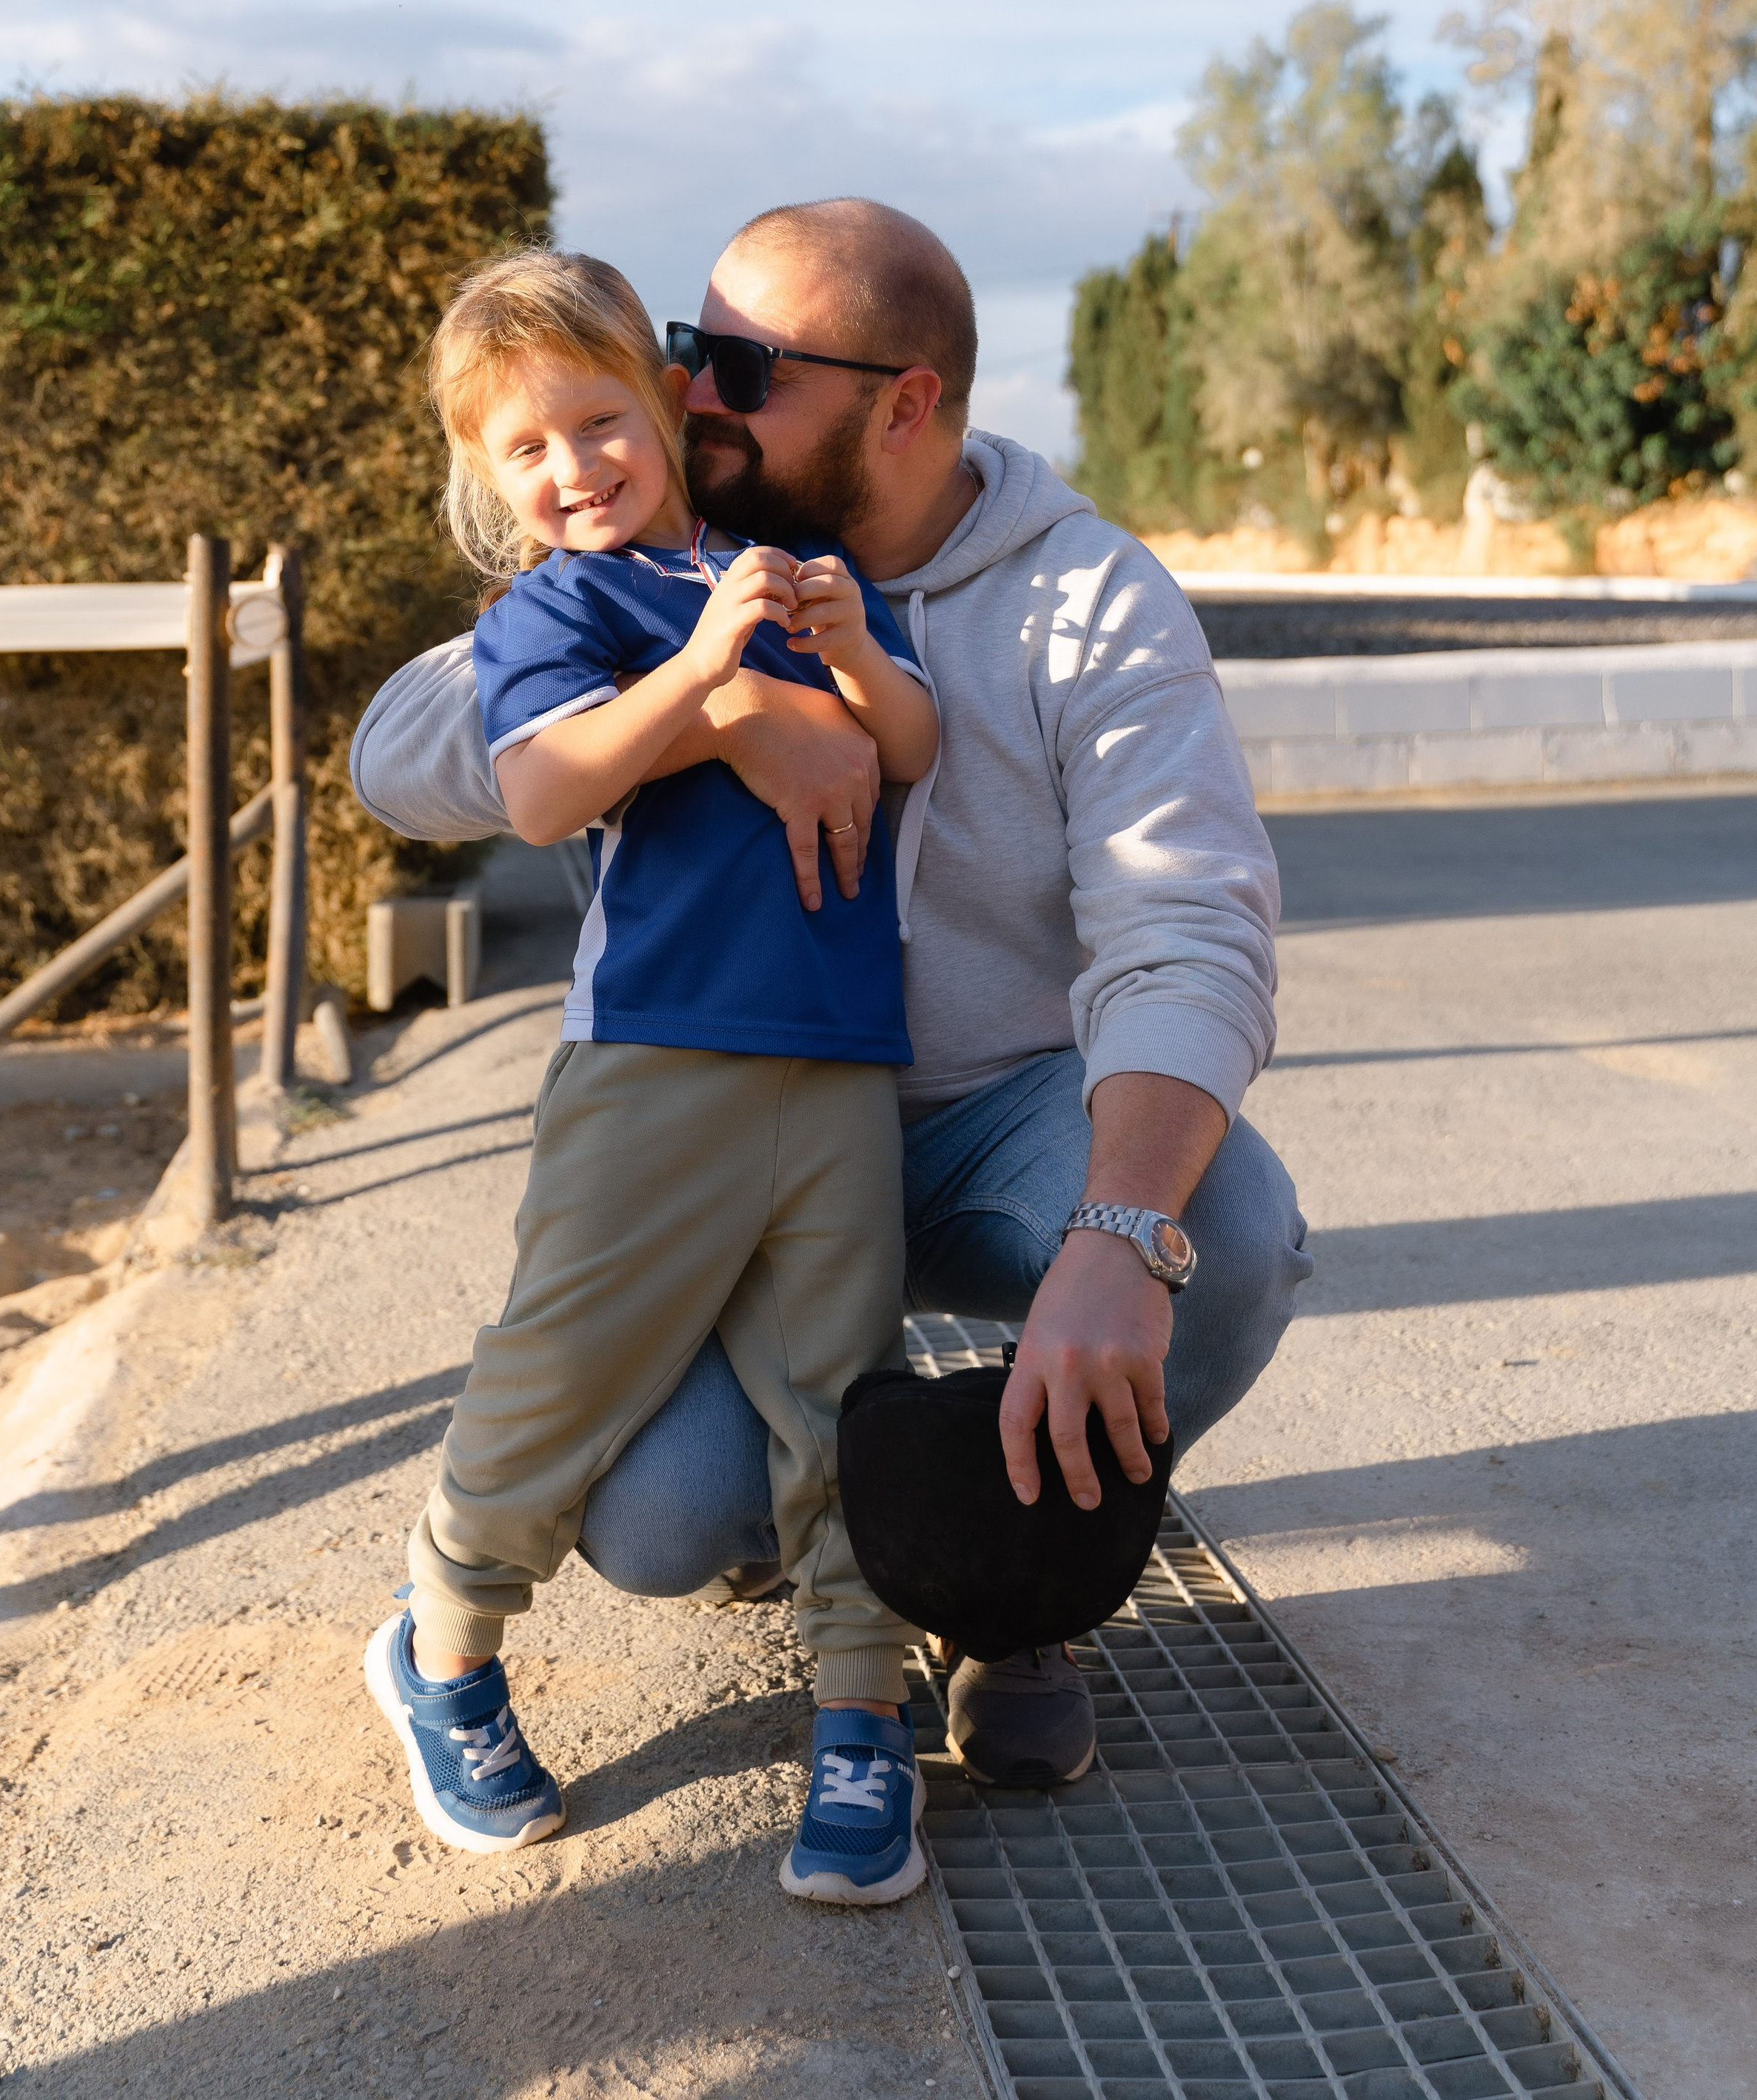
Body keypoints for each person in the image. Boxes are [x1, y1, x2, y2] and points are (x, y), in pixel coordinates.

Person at [353, 198, 1313, 1793]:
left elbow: (1187, 925)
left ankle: (1005, 1583)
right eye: (691, 350)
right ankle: (822, 1534)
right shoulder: (670, 565)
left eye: (744, 368)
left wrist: (1116, 1235)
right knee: (659, 1521)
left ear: (904, 404)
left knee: (1226, 1239)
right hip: (747, 1107)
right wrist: (722, 702)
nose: (694, 394)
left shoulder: (1086, 598)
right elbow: (402, 753)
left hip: (991, 1114)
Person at [364, 246, 944, 1908]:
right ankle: (444, 1646)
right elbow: (543, 793)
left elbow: (909, 750)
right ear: (485, 476)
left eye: (600, 421)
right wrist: (708, 684)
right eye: (524, 449)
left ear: (671, 403)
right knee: (562, 1369)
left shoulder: (800, 567)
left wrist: (848, 654)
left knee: (842, 1399)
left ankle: (860, 1713)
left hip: (838, 1065)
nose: (572, 468)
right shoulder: (561, 608)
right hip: (653, 1063)